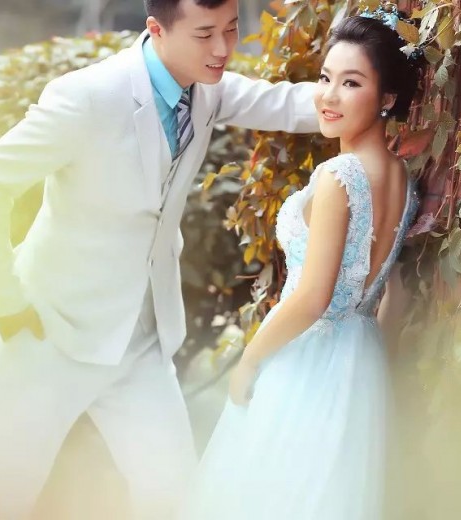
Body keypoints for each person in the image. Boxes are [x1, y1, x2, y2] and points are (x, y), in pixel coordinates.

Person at [0, 0, 318, 517]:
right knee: (6, 496)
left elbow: (285, 103)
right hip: (48, 333)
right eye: (204, 34)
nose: (223, 48)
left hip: (140, 343)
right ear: (157, 29)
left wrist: (368, 94)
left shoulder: (207, 87)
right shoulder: (87, 97)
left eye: (231, 29)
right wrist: (4, 301)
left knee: (173, 492)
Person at [180, 10, 423, 520]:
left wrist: (250, 359)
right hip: (361, 362)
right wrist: (372, 373)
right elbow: (394, 294)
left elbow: (313, 298)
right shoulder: (404, 178)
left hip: (307, 359)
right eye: (325, 78)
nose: (329, 96)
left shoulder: (340, 176)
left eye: (351, 83)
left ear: (387, 98)